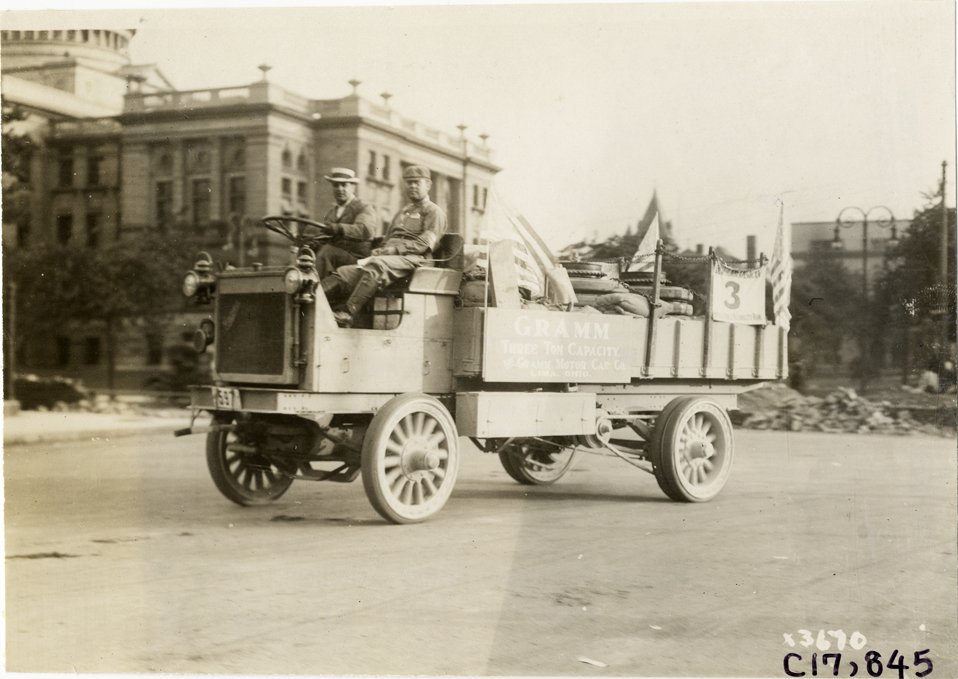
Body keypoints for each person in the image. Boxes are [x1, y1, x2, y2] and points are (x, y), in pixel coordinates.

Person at [320, 165, 447, 327]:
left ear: (428, 185)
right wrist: (382, 250)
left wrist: (393, 250)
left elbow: (425, 244)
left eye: (416, 182)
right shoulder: (403, 212)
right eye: (409, 183)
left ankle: (348, 313)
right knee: (344, 272)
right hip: (391, 259)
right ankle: (314, 303)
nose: (412, 186)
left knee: (377, 265)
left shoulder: (434, 211)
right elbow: (389, 238)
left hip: (415, 260)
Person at [310, 168, 378, 278]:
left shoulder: (363, 207)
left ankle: (316, 291)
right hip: (336, 257)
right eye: (336, 185)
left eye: (344, 185)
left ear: (353, 187)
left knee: (327, 252)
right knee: (306, 254)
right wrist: (314, 243)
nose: (339, 189)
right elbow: (325, 237)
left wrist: (340, 228)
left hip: (357, 259)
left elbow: (365, 230)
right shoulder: (332, 213)